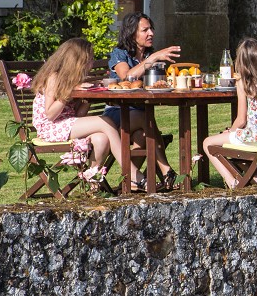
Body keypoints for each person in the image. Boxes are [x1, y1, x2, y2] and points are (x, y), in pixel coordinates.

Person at [31, 38, 131, 190]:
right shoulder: (54, 77)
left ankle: (93, 186)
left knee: (101, 139)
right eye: (89, 60)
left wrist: (87, 97)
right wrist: (69, 92)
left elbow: (78, 115)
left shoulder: (74, 79)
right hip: (50, 127)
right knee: (106, 121)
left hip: (66, 123)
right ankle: (132, 174)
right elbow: (50, 114)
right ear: (76, 61)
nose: (91, 64)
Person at [105, 12, 179, 188]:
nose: (151, 33)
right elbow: (126, 77)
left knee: (143, 135)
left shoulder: (148, 55)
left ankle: (132, 181)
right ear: (132, 33)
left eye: (151, 29)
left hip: (139, 117)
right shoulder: (119, 54)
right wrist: (153, 59)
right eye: (145, 30)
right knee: (145, 119)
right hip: (116, 114)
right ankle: (167, 171)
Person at [203, 38, 257, 188]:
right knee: (232, 141)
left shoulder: (243, 83)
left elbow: (241, 119)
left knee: (207, 143)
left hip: (253, 138)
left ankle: (232, 181)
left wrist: (232, 131)